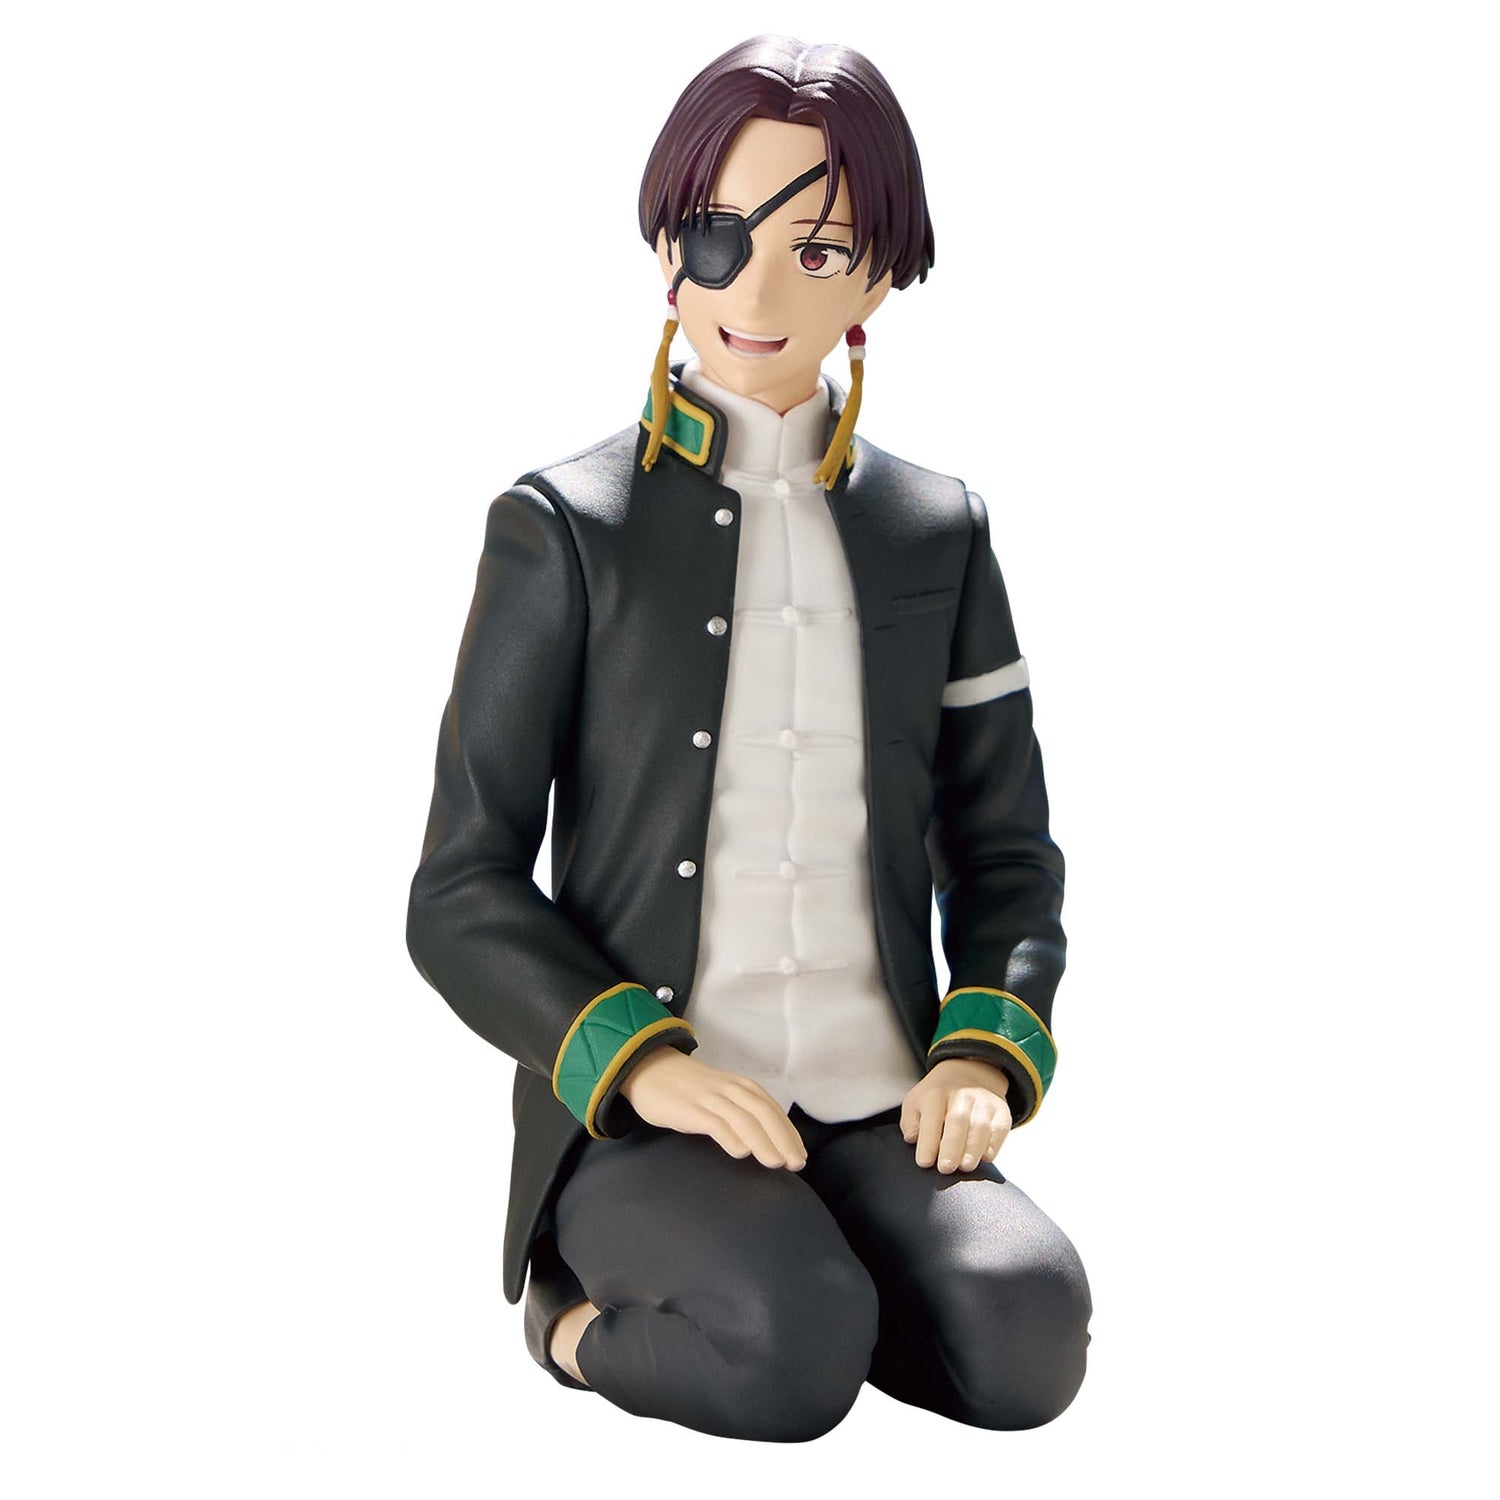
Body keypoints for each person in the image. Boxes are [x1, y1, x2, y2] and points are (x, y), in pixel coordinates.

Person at [407, 34, 1092, 1441]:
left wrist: (980, 1050)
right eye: (720, 239)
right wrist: (642, 1063)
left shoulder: (939, 532)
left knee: (1029, 1337)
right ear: (669, 251)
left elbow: (1007, 853)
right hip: (652, 1111)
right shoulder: (565, 528)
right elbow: (459, 889)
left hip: (877, 1096)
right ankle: (577, 1324)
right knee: (791, 1353)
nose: (759, 295)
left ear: (880, 277)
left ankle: (826, 1271)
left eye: (818, 249)